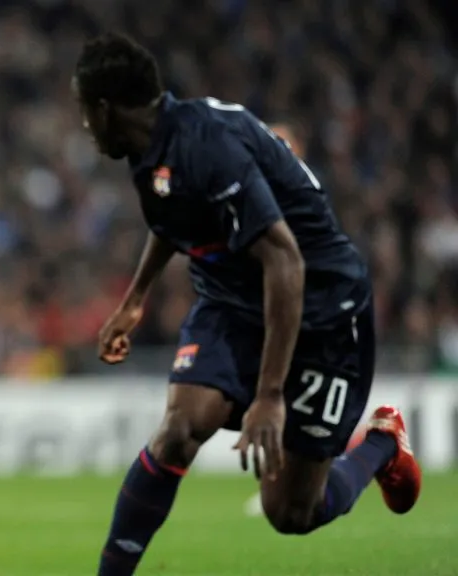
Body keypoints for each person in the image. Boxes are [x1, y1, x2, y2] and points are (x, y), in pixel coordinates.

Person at [71, 32, 421, 575]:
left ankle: (380, 443)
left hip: (322, 310)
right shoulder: (150, 148)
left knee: (293, 511)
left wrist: (270, 395)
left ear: (104, 108)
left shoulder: (208, 147)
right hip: (234, 298)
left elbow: (286, 262)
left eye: (85, 112)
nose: (85, 127)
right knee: (180, 428)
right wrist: (135, 298)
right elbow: (174, 216)